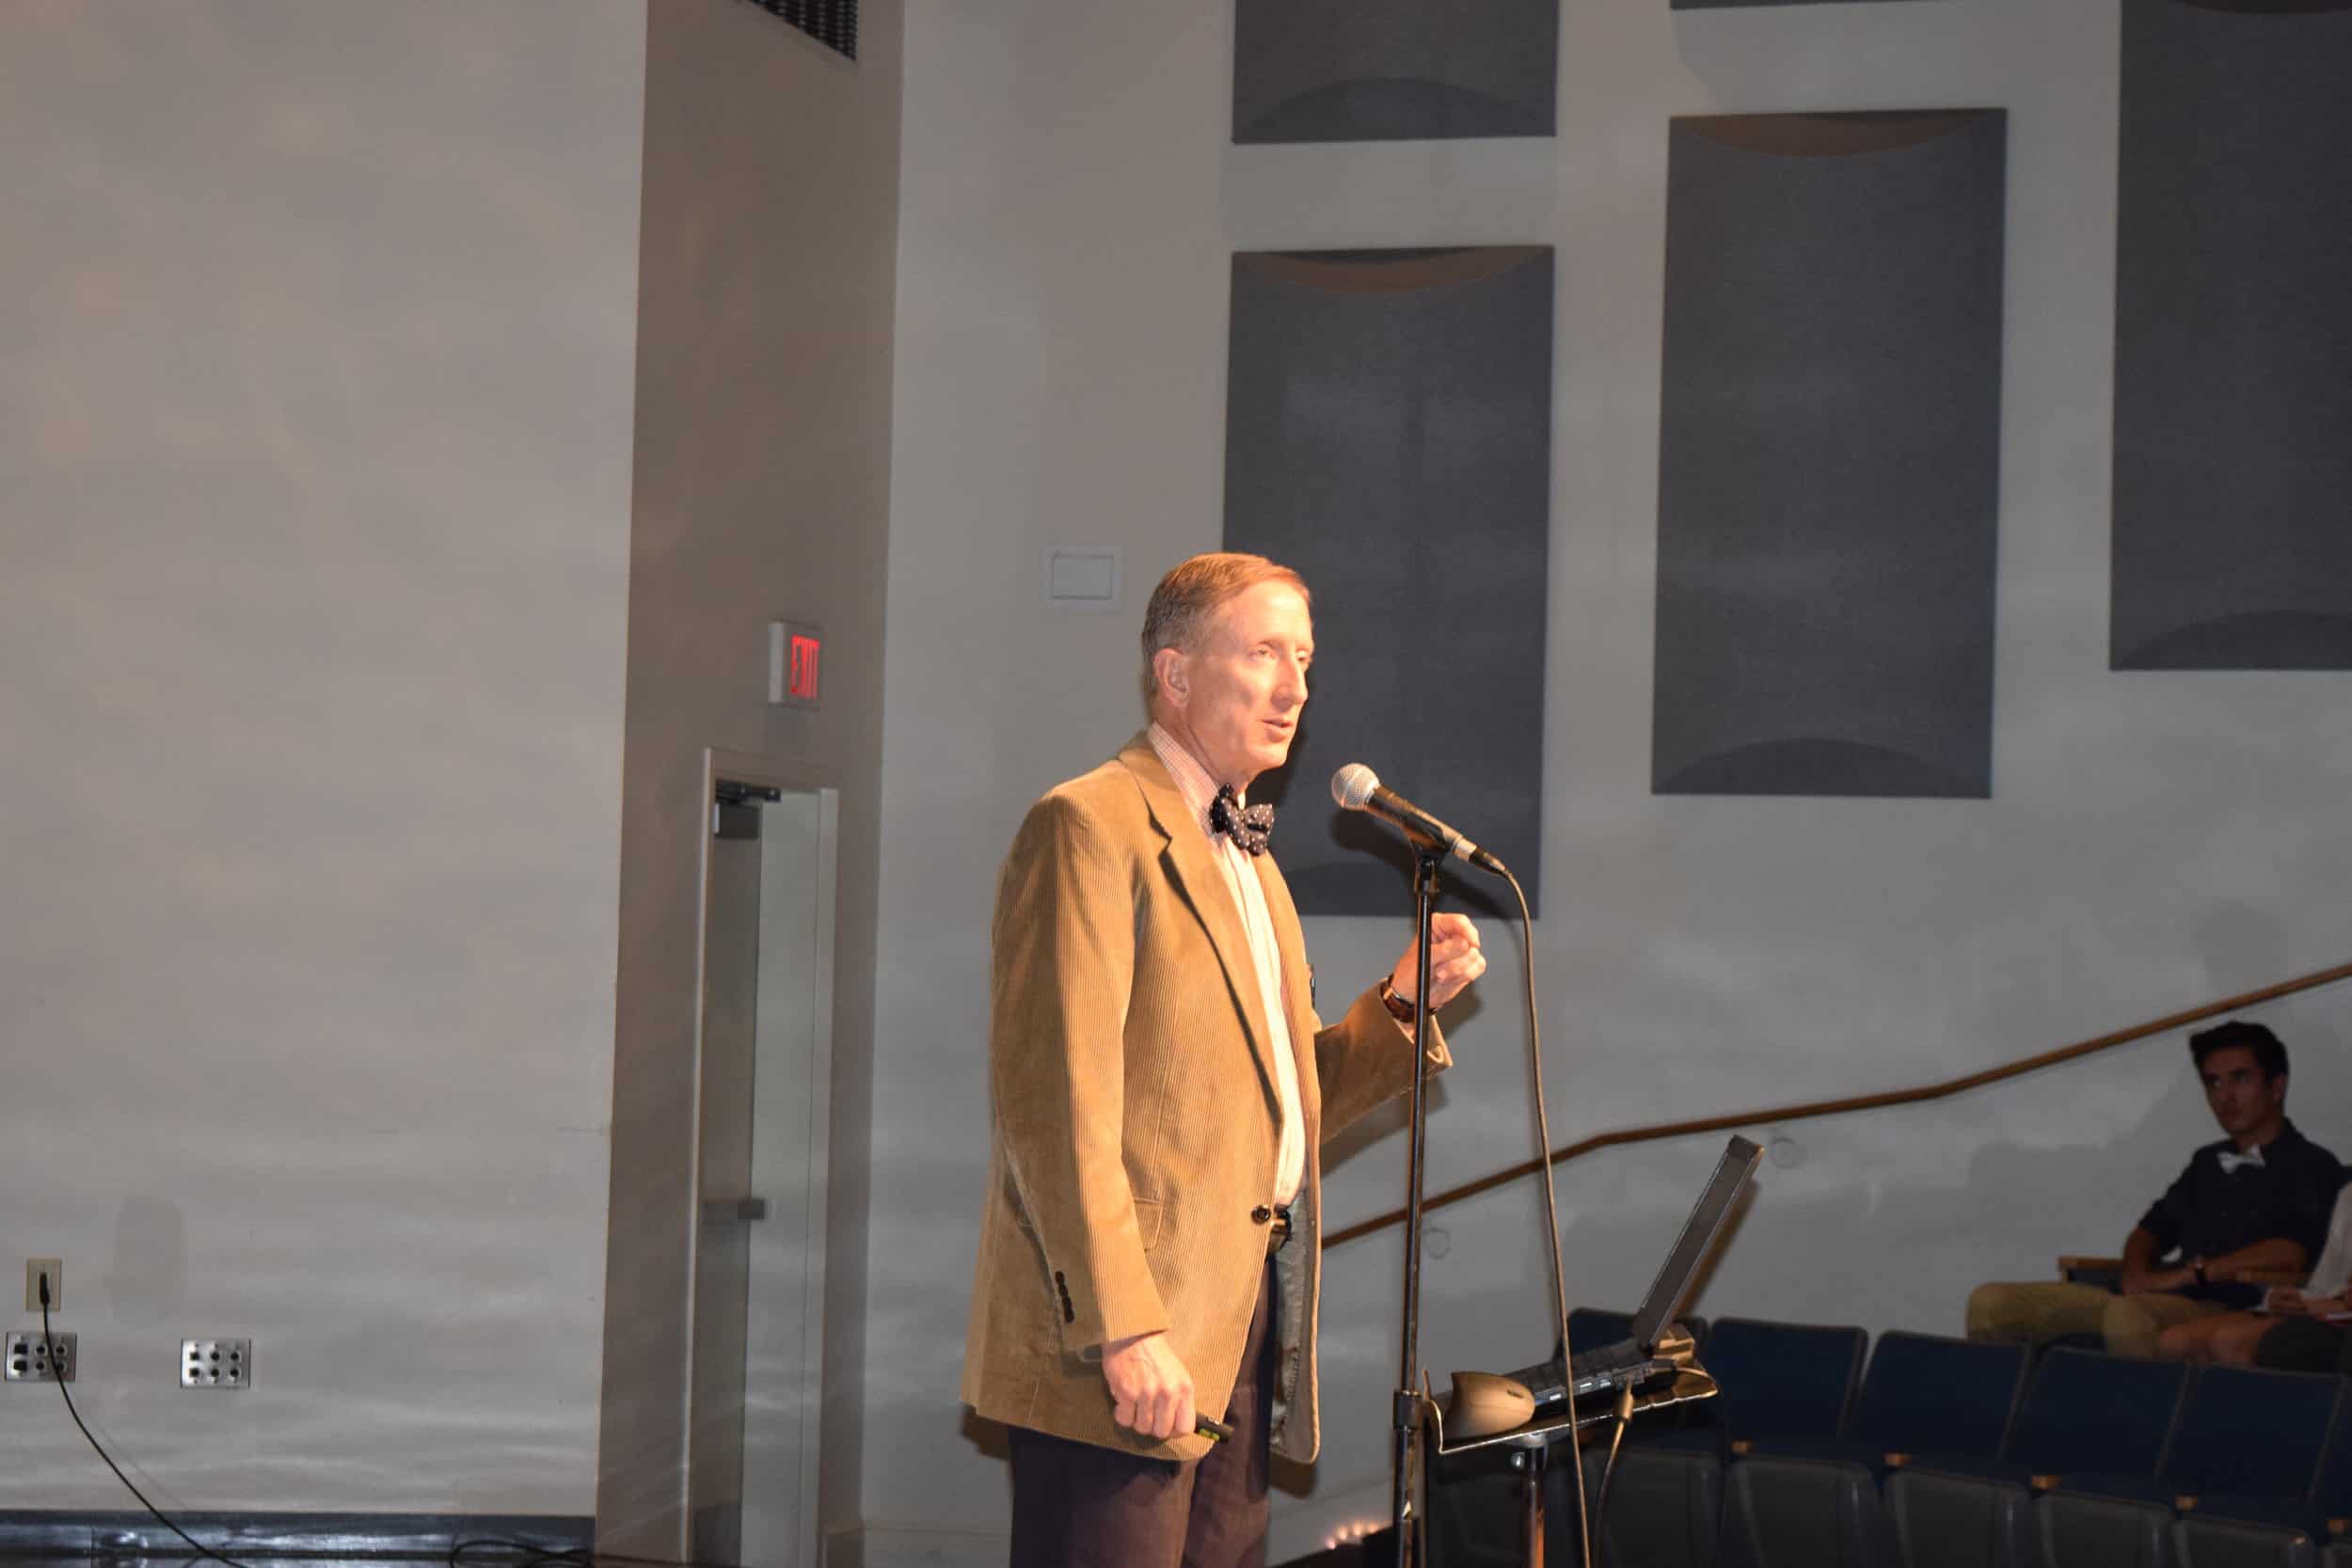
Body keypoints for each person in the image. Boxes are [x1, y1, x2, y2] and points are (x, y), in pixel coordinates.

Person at [961, 552, 1487, 1568]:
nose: (1295, 686)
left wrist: (1400, 1007)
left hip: (1240, 1324)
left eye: (1305, 658)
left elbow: (1272, 1109)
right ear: (1176, 673)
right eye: (1263, 653)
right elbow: (1050, 1103)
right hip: (1123, 1344)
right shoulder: (1088, 825)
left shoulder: (1252, 859)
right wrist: (1122, 1328)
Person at [1964, 1021, 2341, 1359]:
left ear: (2276, 1086)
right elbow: (2149, 1231)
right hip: (2147, 1297)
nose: (2225, 1097)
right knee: (1990, 1304)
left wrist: (2190, 1275)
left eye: (2240, 1078)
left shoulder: (2313, 1164)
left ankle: (2137, 1434)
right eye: (2213, 1083)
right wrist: (2135, 1274)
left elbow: (2290, 1254)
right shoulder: (2206, 1161)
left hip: (2224, 1306)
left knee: (2128, 1316)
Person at [2156, 1175, 2352, 1369]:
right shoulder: (2348, 1195)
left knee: (2229, 1341)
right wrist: (2291, 1300)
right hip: (2321, 1307)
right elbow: (2324, 1283)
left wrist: (2317, 1306)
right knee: (2174, 1341)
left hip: (2337, 1317)